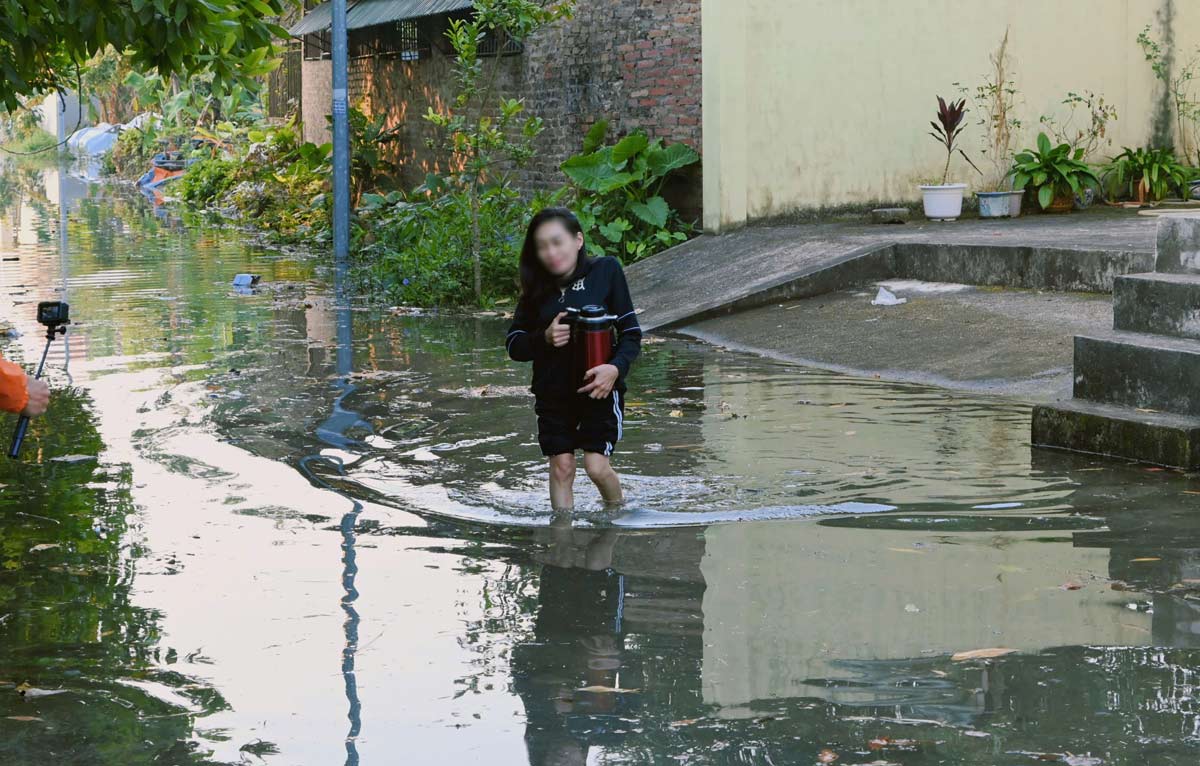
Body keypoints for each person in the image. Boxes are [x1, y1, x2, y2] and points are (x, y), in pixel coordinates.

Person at [506, 207, 642, 511]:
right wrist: (543, 338)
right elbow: (513, 344)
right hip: (553, 393)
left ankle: (615, 516)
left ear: (578, 240)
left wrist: (614, 370)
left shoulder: (606, 271)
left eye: (558, 242)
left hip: (599, 391)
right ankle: (562, 544)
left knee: (596, 467)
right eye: (542, 247)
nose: (551, 253)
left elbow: (632, 334)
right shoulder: (536, 291)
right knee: (562, 467)